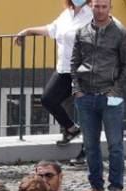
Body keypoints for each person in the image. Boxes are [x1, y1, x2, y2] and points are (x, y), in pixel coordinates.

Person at [71, 0, 126, 191]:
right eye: (96, 6)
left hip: (110, 96)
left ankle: (115, 187)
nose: (99, 10)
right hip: (86, 95)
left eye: (103, 7)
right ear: (92, 7)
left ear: (110, 8)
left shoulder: (122, 33)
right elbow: (74, 62)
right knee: (90, 145)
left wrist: (115, 90)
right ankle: (96, 186)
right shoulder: (81, 32)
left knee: (115, 145)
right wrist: (77, 89)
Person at [16, 0, 93, 146]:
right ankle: (71, 129)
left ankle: (86, 152)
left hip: (82, 71)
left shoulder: (91, 14)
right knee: (48, 99)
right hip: (63, 69)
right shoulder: (66, 14)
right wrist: (28, 30)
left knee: (85, 110)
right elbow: (52, 29)